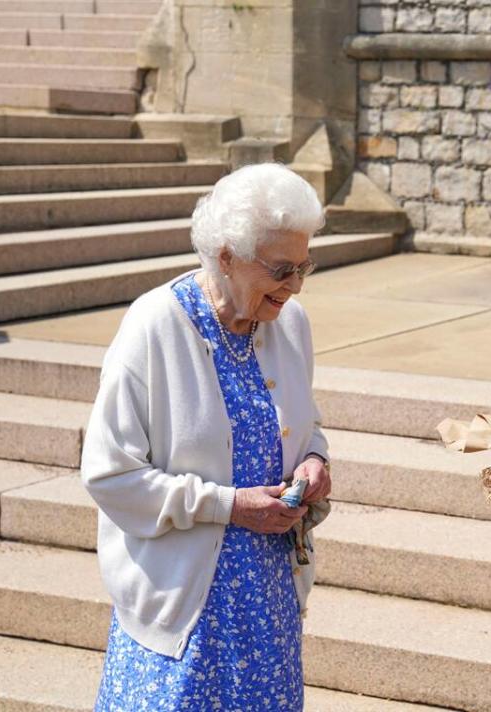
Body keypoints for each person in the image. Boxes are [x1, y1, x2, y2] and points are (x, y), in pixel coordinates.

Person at [81, 163, 332, 710]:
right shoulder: (155, 325)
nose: (294, 285)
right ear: (226, 256)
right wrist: (229, 505)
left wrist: (314, 460)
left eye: (305, 265)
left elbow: (306, 422)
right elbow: (110, 473)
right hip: (182, 609)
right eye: (281, 268)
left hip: (267, 601)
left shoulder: (291, 323)